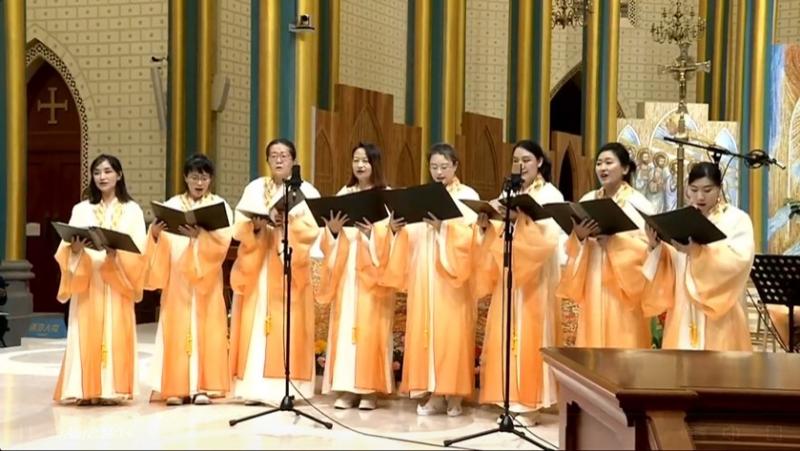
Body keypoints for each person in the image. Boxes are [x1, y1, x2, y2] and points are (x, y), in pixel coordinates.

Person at [381, 143, 479, 417]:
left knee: (452, 333)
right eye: (434, 167)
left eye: (444, 167)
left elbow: (473, 239)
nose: (439, 172)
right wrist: (396, 229)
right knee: (427, 332)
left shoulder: (466, 195)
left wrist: (444, 229)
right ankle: (433, 392)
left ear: (455, 166)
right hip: (425, 275)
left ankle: (455, 395)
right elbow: (411, 235)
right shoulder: (421, 195)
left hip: (452, 279)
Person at [474, 140, 564, 418]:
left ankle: (531, 403)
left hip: (536, 276)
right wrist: (489, 223)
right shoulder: (509, 192)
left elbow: (550, 237)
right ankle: (509, 396)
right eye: (516, 160)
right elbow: (502, 234)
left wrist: (520, 220)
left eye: (526, 159)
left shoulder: (550, 194)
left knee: (531, 333)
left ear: (539, 162)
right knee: (508, 330)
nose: (520, 165)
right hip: (511, 272)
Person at [229, 138, 321, 405]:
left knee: (287, 324)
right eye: (273, 155)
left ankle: (289, 386)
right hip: (258, 269)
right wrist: (257, 226)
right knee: (256, 324)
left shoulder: (306, 191)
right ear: (267, 160)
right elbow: (240, 225)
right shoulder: (255, 187)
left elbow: (313, 229)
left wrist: (287, 222)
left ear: (293, 160)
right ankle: (253, 387)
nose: (279, 160)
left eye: (284, 155)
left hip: (289, 268)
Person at [53, 154, 146, 405]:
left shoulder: (132, 210)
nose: (102, 177)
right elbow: (66, 245)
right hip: (88, 280)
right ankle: (84, 388)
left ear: (119, 175)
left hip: (117, 280)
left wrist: (117, 255)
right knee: (84, 331)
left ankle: (112, 389)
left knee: (115, 331)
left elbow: (139, 249)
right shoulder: (82, 209)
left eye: (107, 171)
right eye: (97, 172)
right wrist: (74, 250)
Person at [144, 154, 233, 405]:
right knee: (176, 328)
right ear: (185, 177)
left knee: (207, 329)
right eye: (194, 176)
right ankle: (176, 387)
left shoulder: (220, 205)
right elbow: (158, 243)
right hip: (178, 279)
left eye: (204, 177)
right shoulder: (172, 204)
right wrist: (155, 233)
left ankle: (203, 387)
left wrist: (201, 237)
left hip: (205, 279)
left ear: (211, 179)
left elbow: (223, 243)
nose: (199, 182)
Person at [642, 162, 754, 351]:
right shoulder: (680, 219)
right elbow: (672, 265)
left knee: (719, 375)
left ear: (720, 188)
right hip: (683, 308)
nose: (700, 197)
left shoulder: (736, 219)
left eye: (707, 190)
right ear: (687, 189)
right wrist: (655, 246)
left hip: (719, 315)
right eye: (694, 190)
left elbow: (738, 262)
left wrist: (697, 253)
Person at [317, 143, 395, 410]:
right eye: (356, 160)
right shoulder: (345, 193)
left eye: (365, 161)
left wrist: (372, 234)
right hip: (346, 269)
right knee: (345, 325)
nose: (360, 165)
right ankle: (347, 388)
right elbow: (329, 236)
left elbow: (392, 236)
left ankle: (369, 389)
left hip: (372, 273)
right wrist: (334, 231)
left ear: (375, 164)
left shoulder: (385, 195)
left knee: (371, 328)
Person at [557, 142, 654, 349]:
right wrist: (580, 237)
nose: (602, 168)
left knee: (624, 341)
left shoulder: (639, 203)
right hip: (594, 278)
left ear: (625, 168)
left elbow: (649, 248)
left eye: (609, 162)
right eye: (599, 163)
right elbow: (571, 246)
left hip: (624, 286)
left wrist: (615, 243)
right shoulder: (588, 199)